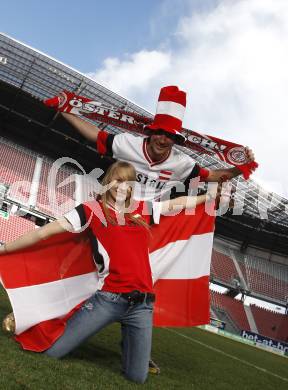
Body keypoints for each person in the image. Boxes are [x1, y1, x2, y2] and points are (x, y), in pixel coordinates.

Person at [58, 85, 256, 373]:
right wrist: (63, 110)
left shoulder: (182, 163)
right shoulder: (128, 144)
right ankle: (45, 316)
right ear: (150, 132)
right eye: (160, 133)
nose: (164, 139)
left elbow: (216, 175)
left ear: (175, 140)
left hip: (148, 224)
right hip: (112, 216)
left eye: (171, 136)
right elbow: (94, 135)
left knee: (143, 284)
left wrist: (244, 166)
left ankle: (134, 346)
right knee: (82, 265)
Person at [0, 161, 219, 384]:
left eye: (129, 182)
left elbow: (176, 204)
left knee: (137, 377)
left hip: (142, 305)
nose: (123, 186)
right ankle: (26, 320)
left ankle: (130, 340)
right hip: (109, 299)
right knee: (52, 352)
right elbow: (43, 233)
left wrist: (207, 198)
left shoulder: (141, 209)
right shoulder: (91, 210)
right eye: (118, 180)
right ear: (108, 181)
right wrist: (5, 249)